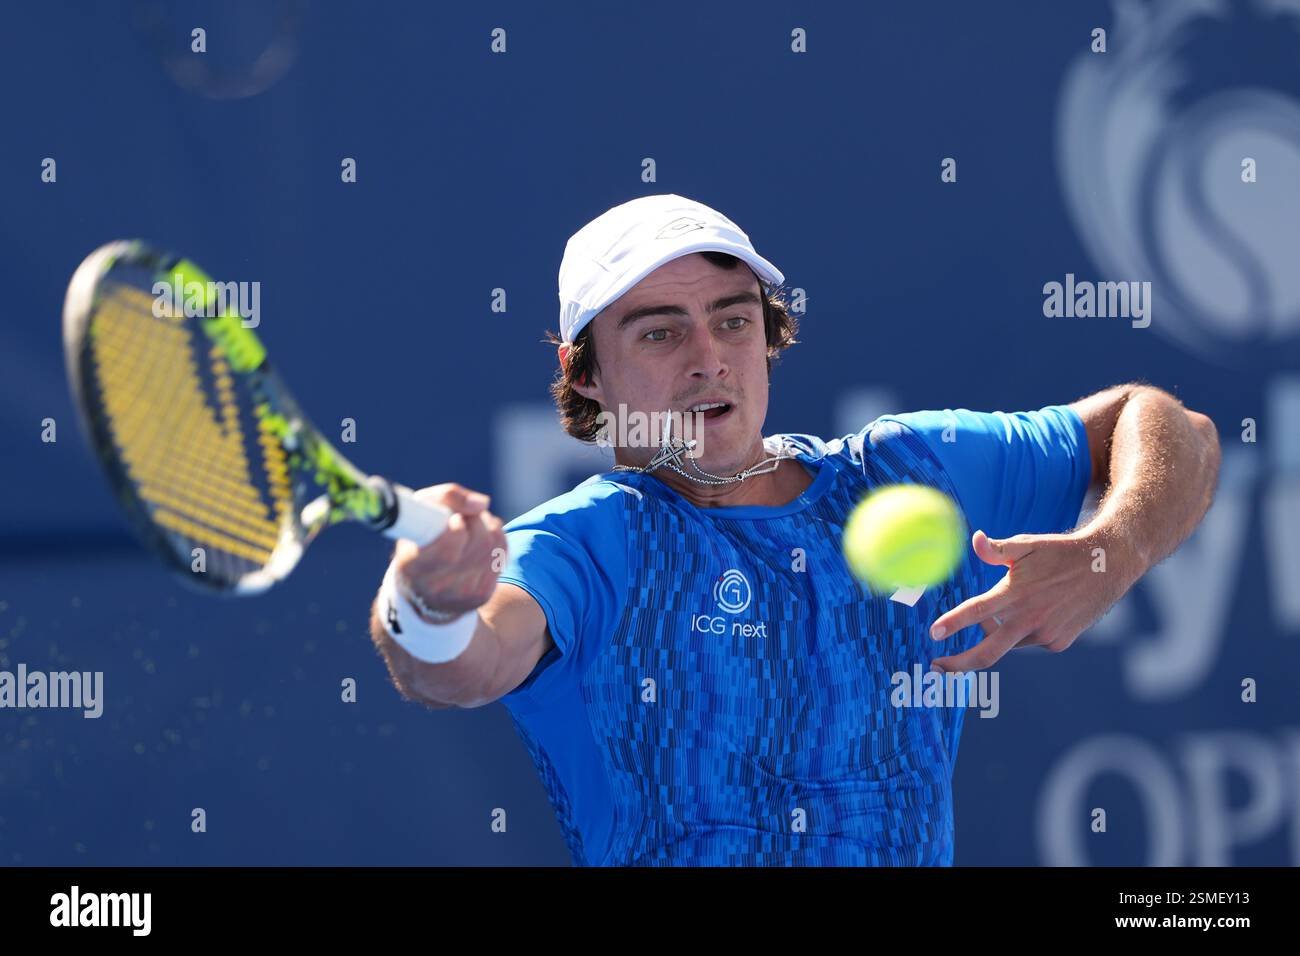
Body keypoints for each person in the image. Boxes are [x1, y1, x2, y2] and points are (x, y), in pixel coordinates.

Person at [367, 194, 1221, 866]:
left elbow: (1170, 425)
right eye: (661, 331)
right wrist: (421, 598)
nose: (709, 355)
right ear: (583, 372)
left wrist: (1113, 553)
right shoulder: (582, 545)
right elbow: (458, 669)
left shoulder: (911, 469)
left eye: (734, 319)